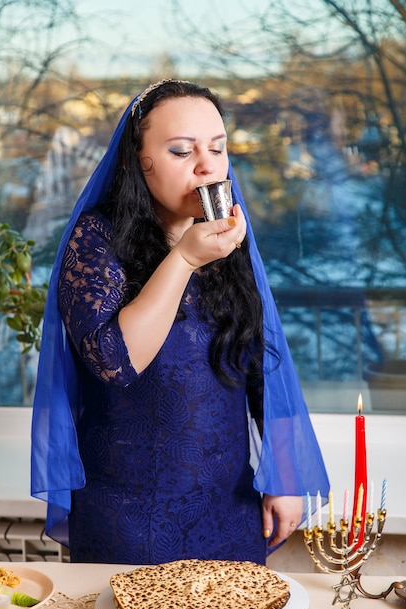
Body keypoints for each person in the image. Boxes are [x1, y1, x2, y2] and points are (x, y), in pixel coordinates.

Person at [31, 79, 329, 565]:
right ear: (134, 160)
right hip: (125, 516)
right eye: (180, 150)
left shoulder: (227, 236)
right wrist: (184, 259)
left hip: (228, 509)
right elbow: (114, 362)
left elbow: (259, 360)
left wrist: (285, 475)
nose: (207, 164)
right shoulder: (96, 239)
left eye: (217, 147)